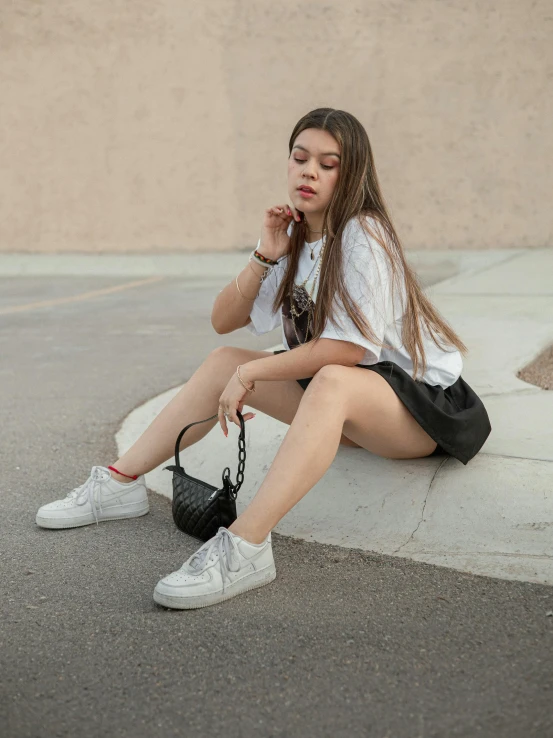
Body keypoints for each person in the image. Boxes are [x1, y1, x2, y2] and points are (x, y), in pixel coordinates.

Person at [36, 107, 492, 610]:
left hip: (423, 408)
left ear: (353, 172)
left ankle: (246, 546)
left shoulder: (365, 234)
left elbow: (349, 349)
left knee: (327, 379)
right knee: (222, 360)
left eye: (328, 163)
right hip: (352, 393)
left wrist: (252, 372)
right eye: (300, 158)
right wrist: (264, 254)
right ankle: (119, 484)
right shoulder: (296, 238)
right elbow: (222, 319)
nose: (309, 172)